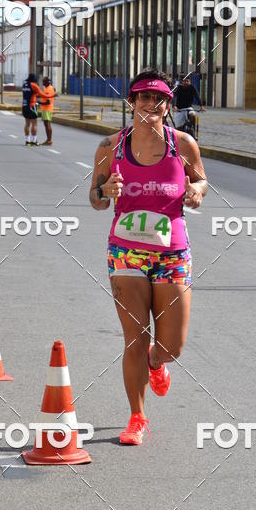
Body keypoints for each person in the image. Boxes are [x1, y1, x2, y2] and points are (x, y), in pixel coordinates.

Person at [89, 69, 208, 445]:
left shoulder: (183, 144)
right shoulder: (110, 146)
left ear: (168, 105)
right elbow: (94, 199)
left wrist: (197, 192)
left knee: (171, 345)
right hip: (126, 252)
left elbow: (201, 179)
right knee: (135, 338)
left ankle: (157, 363)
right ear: (131, 101)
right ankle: (137, 417)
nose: (150, 104)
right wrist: (105, 189)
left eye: (158, 98)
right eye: (142, 96)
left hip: (172, 252)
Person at [21, 73, 47, 145]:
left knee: (27, 124)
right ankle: (34, 141)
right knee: (34, 123)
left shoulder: (24, 85)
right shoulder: (34, 85)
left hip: (24, 106)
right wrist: (52, 95)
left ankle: (27, 141)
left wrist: (35, 94)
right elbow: (42, 94)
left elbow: (29, 94)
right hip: (32, 106)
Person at [39, 76, 56, 145]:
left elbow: (48, 102)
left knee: (47, 125)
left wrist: (39, 103)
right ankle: (49, 140)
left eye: (43, 81)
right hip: (46, 109)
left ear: (47, 82)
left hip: (47, 109)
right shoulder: (47, 88)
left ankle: (49, 140)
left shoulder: (48, 89)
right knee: (47, 124)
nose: (42, 82)